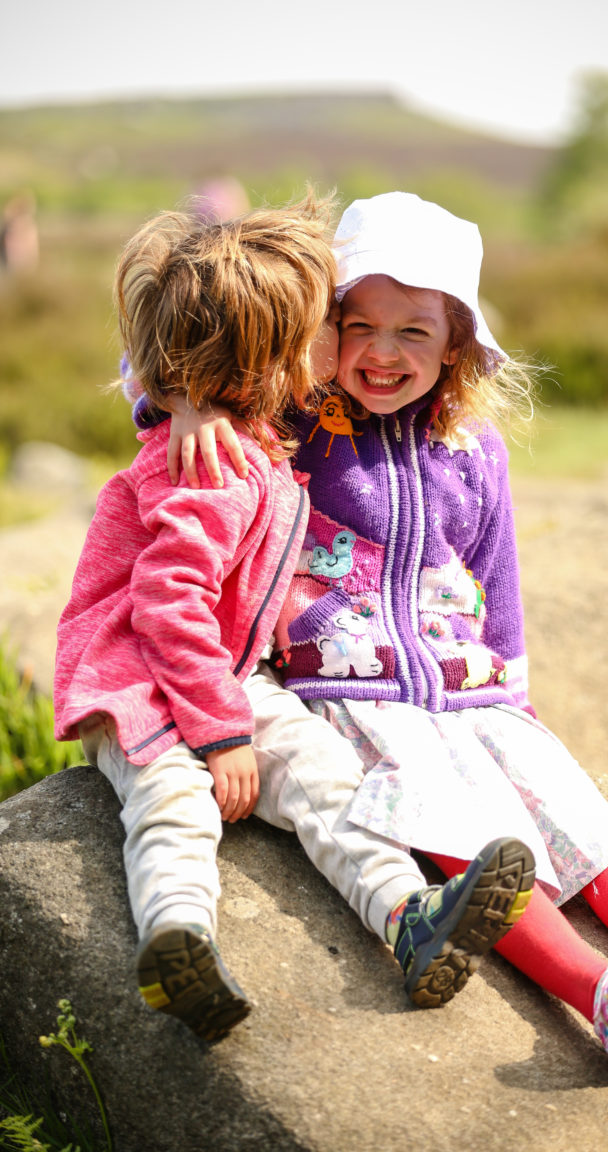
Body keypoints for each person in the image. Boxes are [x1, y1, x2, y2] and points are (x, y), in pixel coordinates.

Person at [152, 192, 608, 1081]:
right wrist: (181, 403)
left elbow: (500, 574)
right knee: (469, 834)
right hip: (351, 690)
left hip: (467, 688)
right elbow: (176, 351)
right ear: (323, 327)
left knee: (578, 819)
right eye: (358, 324)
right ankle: (600, 994)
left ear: (458, 343)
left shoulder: (473, 446)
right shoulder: (290, 416)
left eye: (414, 331)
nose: (384, 352)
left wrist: (512, 700)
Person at [53, 195, 340, 1042]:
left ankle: (403, 906)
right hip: (137, 670)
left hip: (215, 665)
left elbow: (170, 355)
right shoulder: (209, 458)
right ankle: (177, 933)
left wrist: (172, 397)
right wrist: (220, 732)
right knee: (173, 798)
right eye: (325, 329)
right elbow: (168, 600)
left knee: (324, 772)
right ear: (269, 365)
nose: (344, 341)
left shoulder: (239, 425)